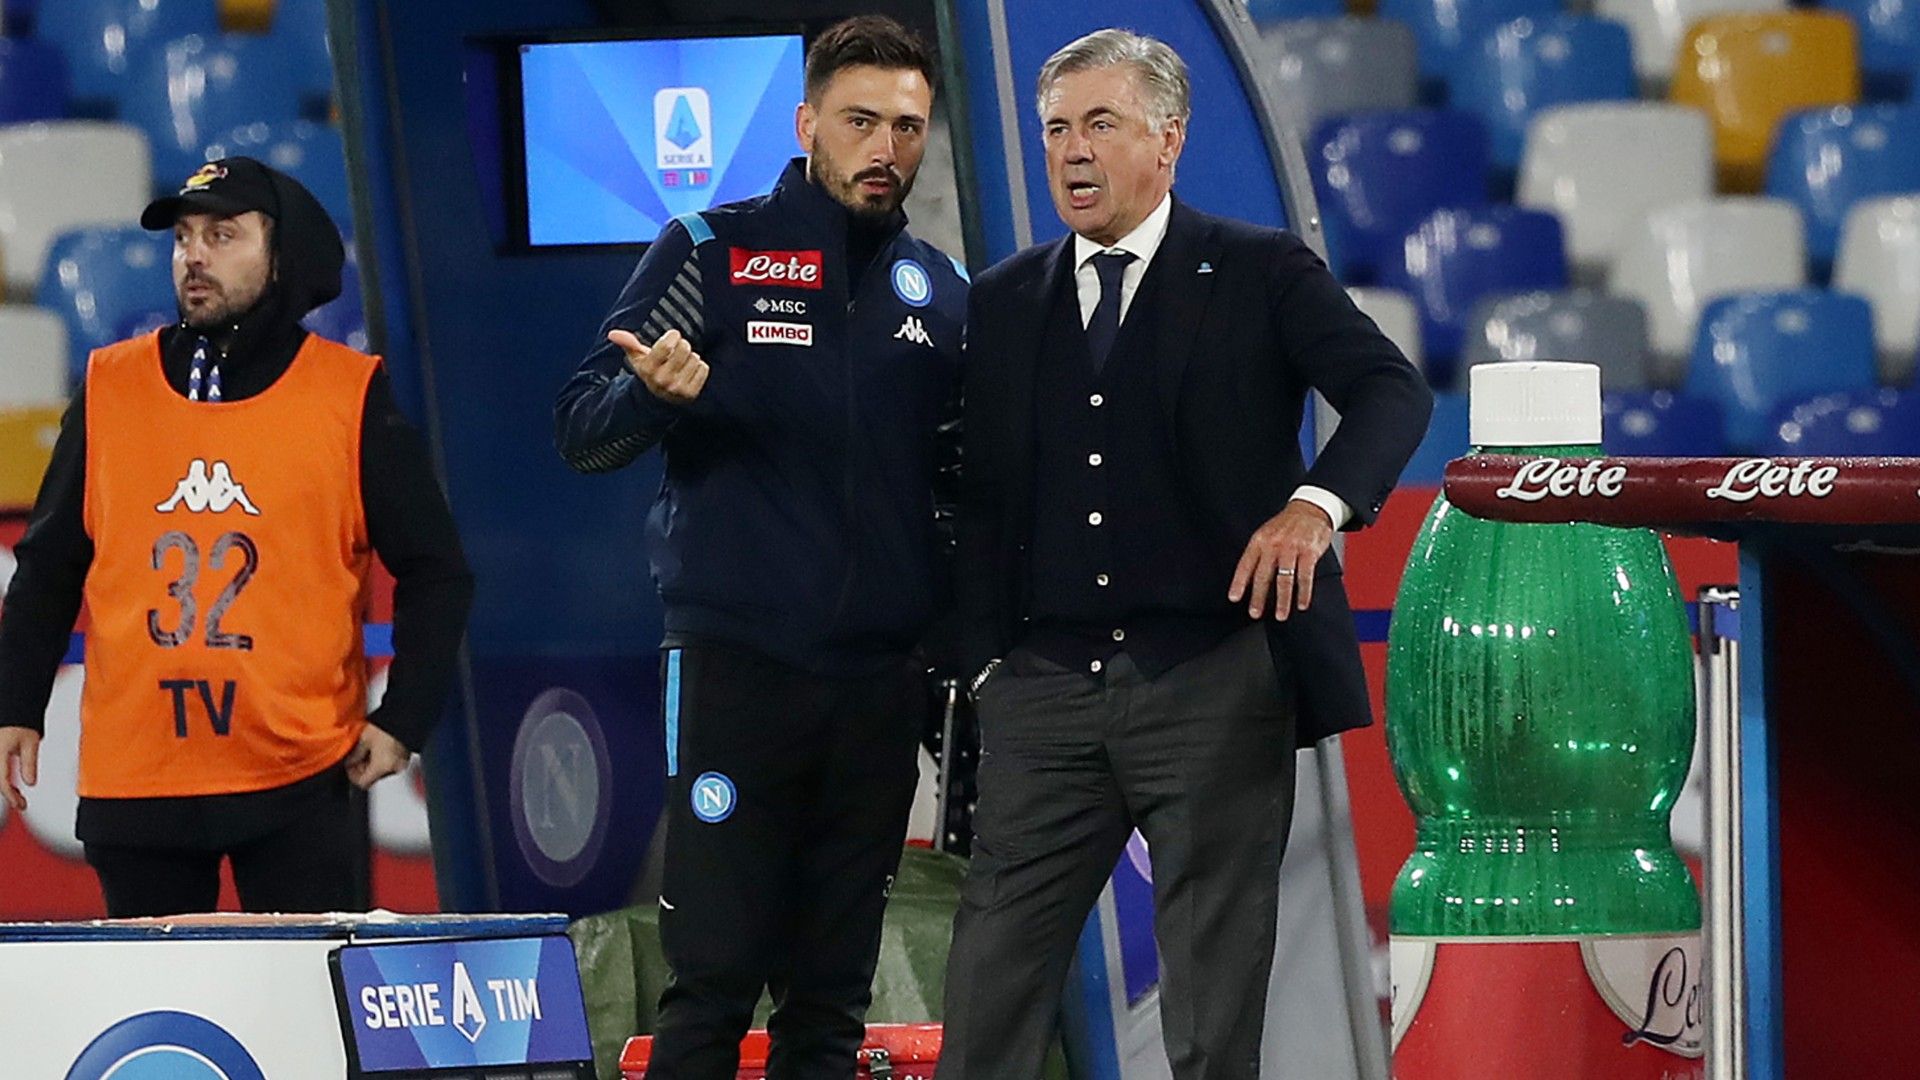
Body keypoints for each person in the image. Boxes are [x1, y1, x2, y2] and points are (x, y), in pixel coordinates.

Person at [937, 29, 1433, 1080]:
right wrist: (983, 667)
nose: (1073, 151)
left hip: (1215, 683)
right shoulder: (1002, 300)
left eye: (1100, 125)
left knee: (1213, 1021)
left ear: (1169, 139)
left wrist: (1316, 505)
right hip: (1042, 694)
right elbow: (969, 494)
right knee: (988, 996)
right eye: (1057, 130)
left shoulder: (1259, 271)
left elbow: (1393, 391)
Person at [553, 16, 966, 1080]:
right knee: (712, 983)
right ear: (806, 122)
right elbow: (581, 431)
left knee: (830, 1002)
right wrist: (649, 401)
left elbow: (968, 487)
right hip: (737, 673)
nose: (886, 149)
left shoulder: (946, 294)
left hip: (879, 690)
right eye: (861, 121)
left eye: (908, 128)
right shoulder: (712, 250)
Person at [0, 157, 474, 918]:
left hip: (299, 771)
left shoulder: (348, 394)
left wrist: (404, 719)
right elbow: (50, 564)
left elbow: (436, 571)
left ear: (280, 255)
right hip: (139, 774)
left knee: (309, 1014)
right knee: (151, 1019)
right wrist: (14, 703)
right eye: (185, 237)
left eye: (223, 235)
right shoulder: (111, 385)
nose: (194, 255)